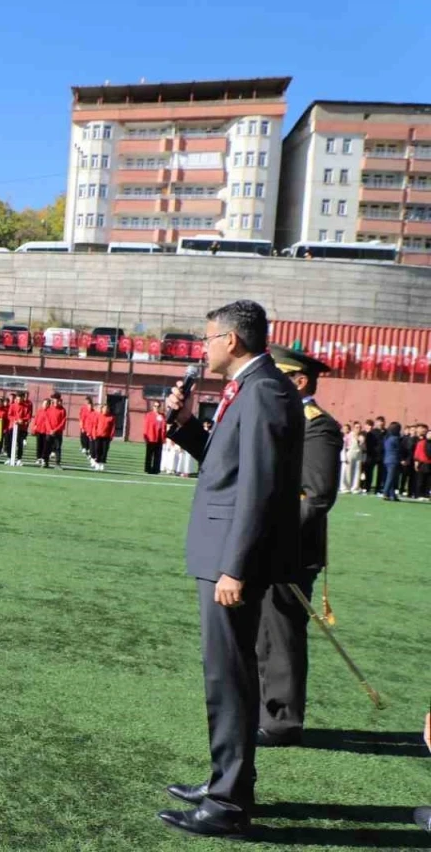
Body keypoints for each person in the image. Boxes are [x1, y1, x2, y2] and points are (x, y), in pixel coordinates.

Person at [159, 300, 303, 839]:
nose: (203, 349)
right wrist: (184, 424)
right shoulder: (249, 387)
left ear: (232, 342)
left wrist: (234, 568)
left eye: (207, 339)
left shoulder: (263, 390)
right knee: (226, 677)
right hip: (222, 553)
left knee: (230, 678)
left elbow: (260, 489)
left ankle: (228, 802)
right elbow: (225, 463)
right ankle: (226, 781)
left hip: (231, 561)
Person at [253, 346, 343, 749]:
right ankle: (263, 709)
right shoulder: (282, 419)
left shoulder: (317, 426)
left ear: (300, 380)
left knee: (281, 633)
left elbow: (317, 495)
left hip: (291, 550)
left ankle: (282, 721)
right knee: (261, 632)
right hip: (262, 543)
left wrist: (275, 535)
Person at [143, 401, 167, 474]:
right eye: (155, 406)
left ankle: (156, 469)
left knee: (158, 455)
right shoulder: (149, 415)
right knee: (149, 454)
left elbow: (164, 427)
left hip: (159, 437)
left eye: (158, 406)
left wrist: (164, 437)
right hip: (151, 437)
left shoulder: (162, 416)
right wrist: (145, 436)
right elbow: (145, 426)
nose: (156, 408)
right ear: (153, 407)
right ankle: (148, 468)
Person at [363, 416, 386, 494]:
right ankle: (367, 487)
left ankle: (378, 489)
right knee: (369, 472)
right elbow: (368, 444)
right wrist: (371, 452)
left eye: (382, 422)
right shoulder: (372, 433)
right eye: (379, 422)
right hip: (372, 455)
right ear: (376, 423)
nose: (381, 423)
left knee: (381, 473)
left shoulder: (386, 432)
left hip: (382, 455)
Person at [381, 421, 403, 501]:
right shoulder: (395, 438)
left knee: (391, 477)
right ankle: (385, 493)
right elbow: (399, 449)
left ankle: (392, 494)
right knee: (390, 478)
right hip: (393, 460)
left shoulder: (387, 438)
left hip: (387, 459)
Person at [90, 403, 115, 471]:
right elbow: (95, 426)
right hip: (98, 436)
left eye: (107, 408)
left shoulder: (111, 418)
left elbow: (112, 428)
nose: (106, 410)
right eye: (104, 408)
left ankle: (102, 463)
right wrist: (94, 434)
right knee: (98, 450)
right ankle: (97, 463)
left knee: (104, 451)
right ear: (102, 409)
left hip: (106, 437)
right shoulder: (98, 416)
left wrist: (111, 436)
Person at [341, 421, 364, 494]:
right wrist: (344, 457)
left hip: (358, 455)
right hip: (350, 453)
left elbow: (362, 446)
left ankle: (355, 487)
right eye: (357, 427)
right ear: (354, 428)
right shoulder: (349, 436)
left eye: (360, 428)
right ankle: (345, 487)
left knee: (357, 471)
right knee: (348, 471)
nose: (358, 429)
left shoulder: (361, 437)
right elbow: (344, 447)